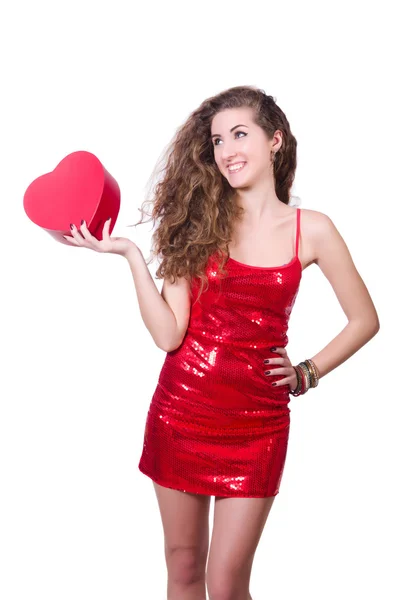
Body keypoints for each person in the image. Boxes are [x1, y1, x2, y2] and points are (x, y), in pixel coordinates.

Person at [64, 85, 380, 600]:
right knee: (184, 568)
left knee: (228, 582)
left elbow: (364, 320)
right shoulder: (197, 223)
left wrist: (307, 372)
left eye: (239, 134)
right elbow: (169, 334)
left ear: (274, 139)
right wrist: (129, 256)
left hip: (258, 424)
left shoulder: (314, 229)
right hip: (182, 412)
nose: (226, 150)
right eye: (216, 141)